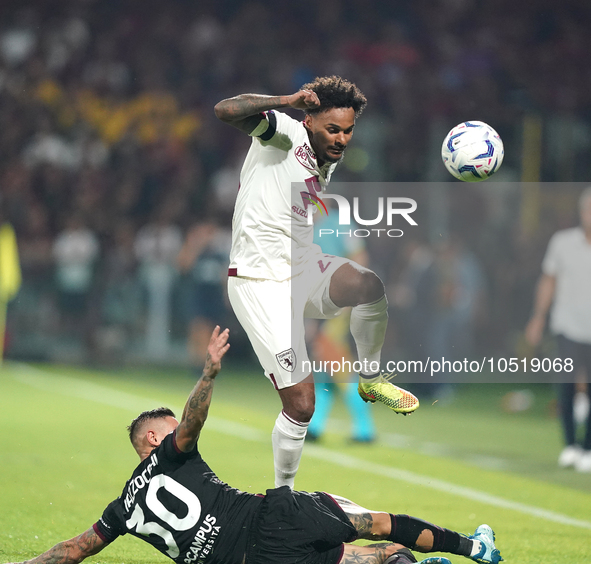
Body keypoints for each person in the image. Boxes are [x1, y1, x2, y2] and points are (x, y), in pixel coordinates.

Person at [6, 327, 502, 564]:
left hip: (252, 563)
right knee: (377, 526)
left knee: (368, 559)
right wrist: (208, 375)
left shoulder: (121, 511)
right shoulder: (169, 453)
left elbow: (73, 550)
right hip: (271, 517)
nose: (179, 427)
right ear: (153, 440)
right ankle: (475, 548)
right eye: (170, 425)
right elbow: (193, 421)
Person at [214, 76, 419, 489]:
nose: (342, 138)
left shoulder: (329, 156)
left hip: (300, 265)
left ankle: (370, 379)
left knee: (368, 285)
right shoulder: (285, 133)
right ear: (308, 121)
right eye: (333, 129)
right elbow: (225, 109)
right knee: (302, 404)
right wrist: (286, 100)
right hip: (258, 279)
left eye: (348, 130)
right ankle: (283, 497)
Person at [525, 187, 591, 472]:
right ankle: (569, 445)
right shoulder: (563, 242)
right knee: (566, 383)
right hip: (566, 324)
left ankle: (587, 447)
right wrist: (538, 317)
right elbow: (548, 281)